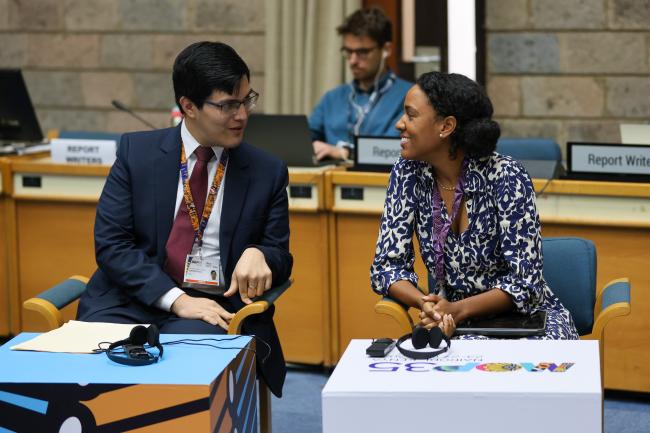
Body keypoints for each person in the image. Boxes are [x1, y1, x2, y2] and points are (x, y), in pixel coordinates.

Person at [76, 41, 293, 396]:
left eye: (246, 100)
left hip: (216, 306)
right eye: (228, 105)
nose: (242, 115)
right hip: (133, 300)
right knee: (97, 371)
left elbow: (281, 256)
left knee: (190, 367)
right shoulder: (137, 153)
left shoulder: (267, 171)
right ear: (188, 106)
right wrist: (176, 299)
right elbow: (113, 246)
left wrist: (261, 254)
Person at [370, 71, 578, 340]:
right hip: (451, 319)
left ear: (446, 126)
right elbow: (386, 266)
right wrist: (425, 303)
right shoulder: (408, 172)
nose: (400, 124)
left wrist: (459, 309)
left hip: (525, 319)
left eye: (411, 115)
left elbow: (525, 284)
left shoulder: (506, 176)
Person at [309, 7, 412, 161]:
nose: (353, 61)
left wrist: (344, 152)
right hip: (329, 183)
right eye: (348, 52)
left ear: (386, 49)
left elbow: (394, 150)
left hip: (382, 183)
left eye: (362, 52)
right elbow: (304, 140)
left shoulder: (409, 97)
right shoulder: (332, 98)